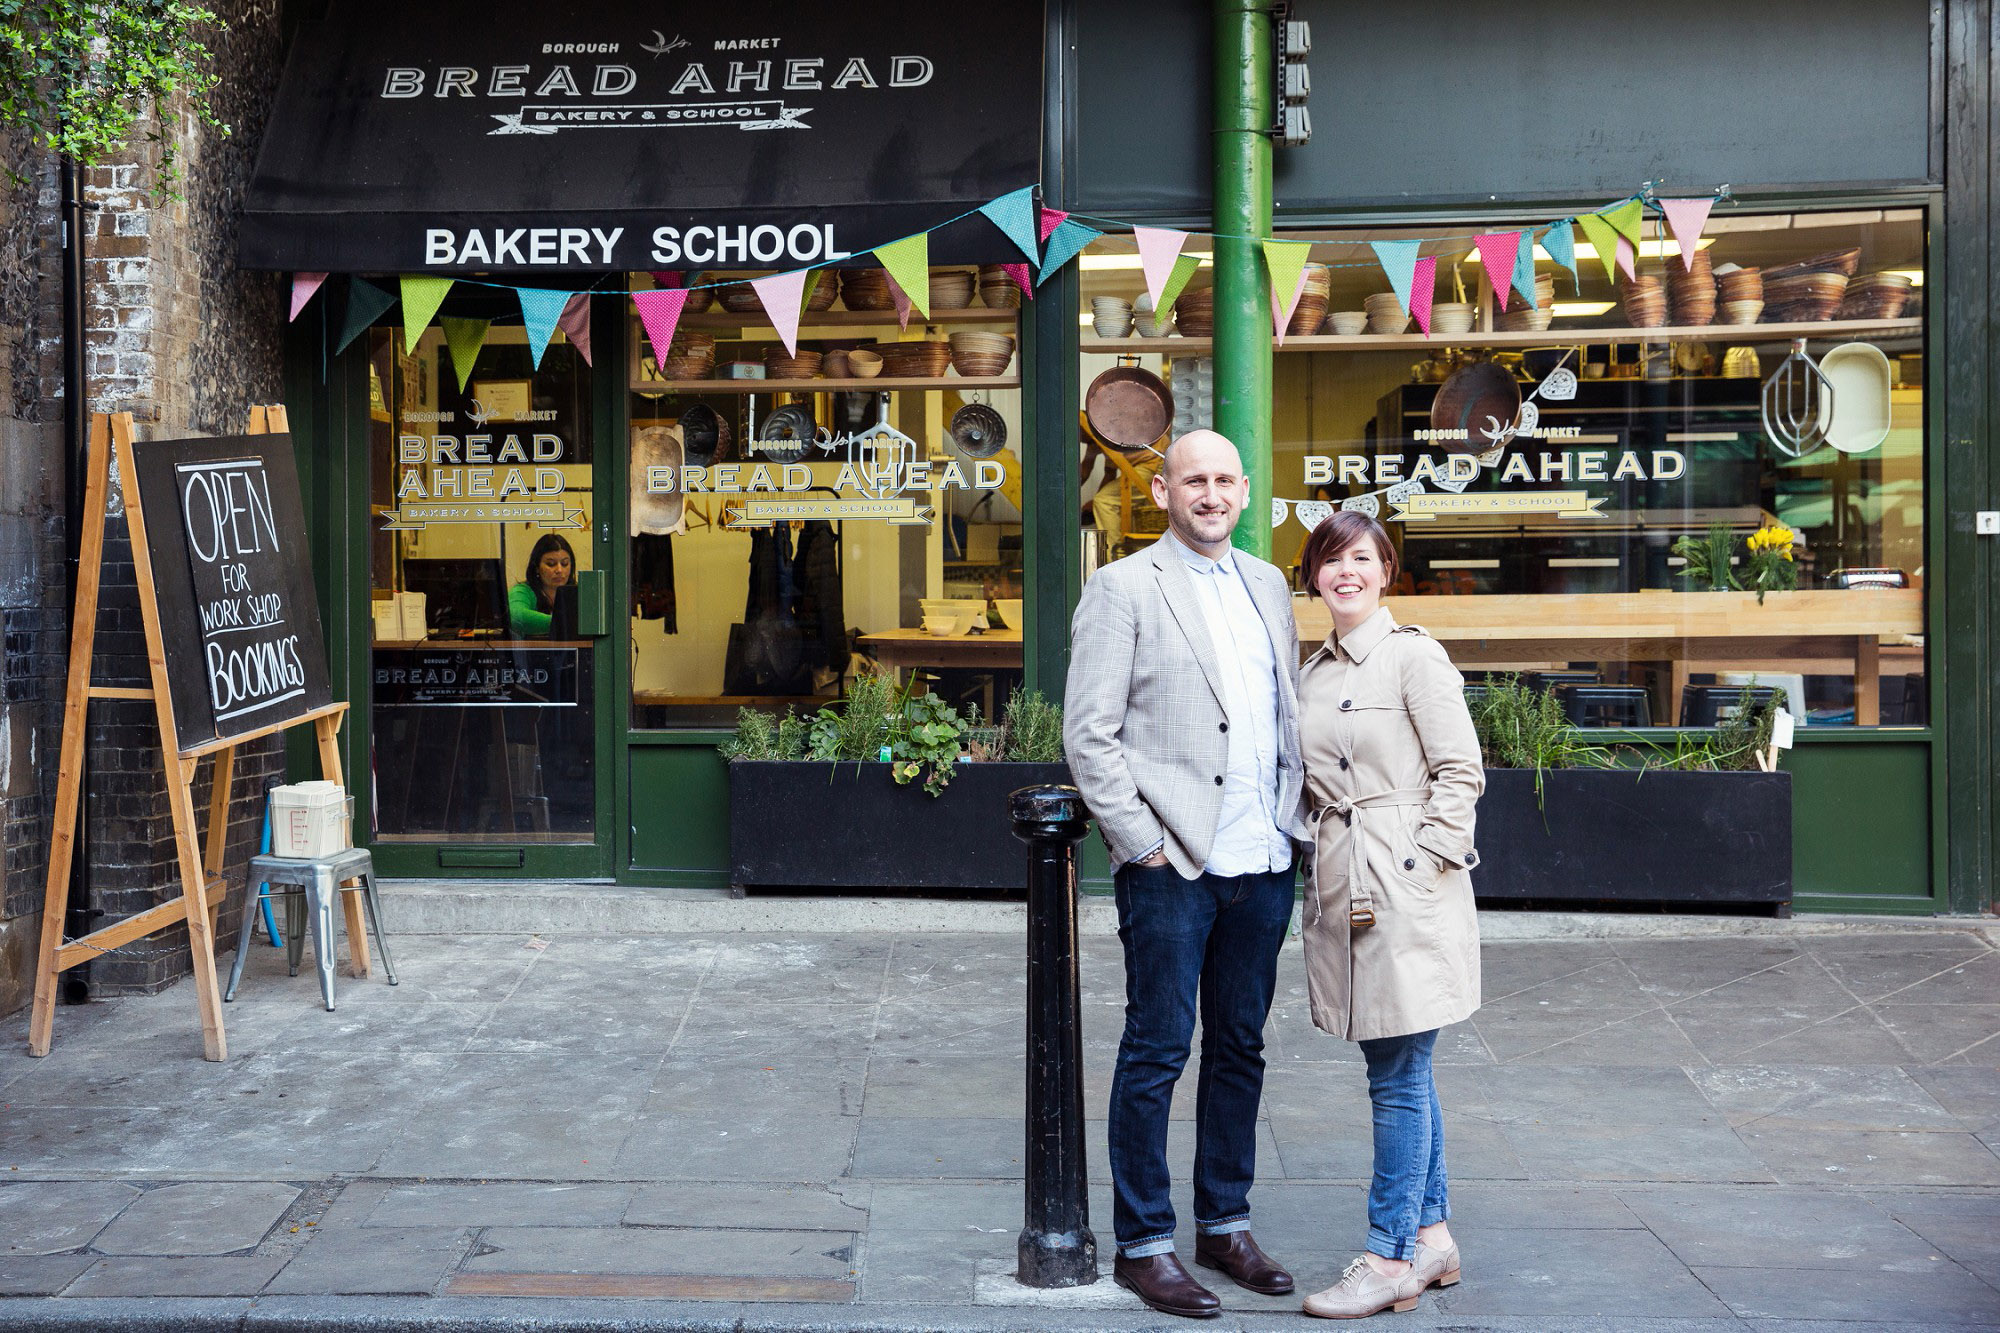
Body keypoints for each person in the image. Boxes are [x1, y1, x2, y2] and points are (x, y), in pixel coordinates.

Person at [1064, 429, 1307, 1320]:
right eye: (1192, 480)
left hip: (1265, 855)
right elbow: (1088, 733)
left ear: (1245, 492)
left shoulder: (1270, 584)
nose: (1210, 494)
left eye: (1224, 480)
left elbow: (1283, 711)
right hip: (1173, 862)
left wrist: (1299, 820)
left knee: (1240, 1045)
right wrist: (1141, 843)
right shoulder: (1123, 587)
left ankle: (1225, 1224)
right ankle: (1145, 1244)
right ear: (1163, 491)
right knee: (1159, 1048)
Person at [1293, 511, 1484, 1320]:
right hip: (1344, 882)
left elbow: (1460, 769)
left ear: (1385, 570)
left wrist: (1424, 861)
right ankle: (1433, 1236)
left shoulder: (1413, 655)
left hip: (1403, 887)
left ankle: (1387, 1255)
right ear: (1313, 575)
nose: (1347, 572)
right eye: (1332, 560)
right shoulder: (1311, 671)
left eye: (1362, 558)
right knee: (1407, 1064)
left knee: (1395, 1072)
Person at [508, 533, 574, 638]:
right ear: (537, 567)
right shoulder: (522, 591)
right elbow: (515, 616)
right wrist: (565, 624)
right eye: (551, 564)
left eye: (565, 563)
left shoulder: (579, 592)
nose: (559, 570)